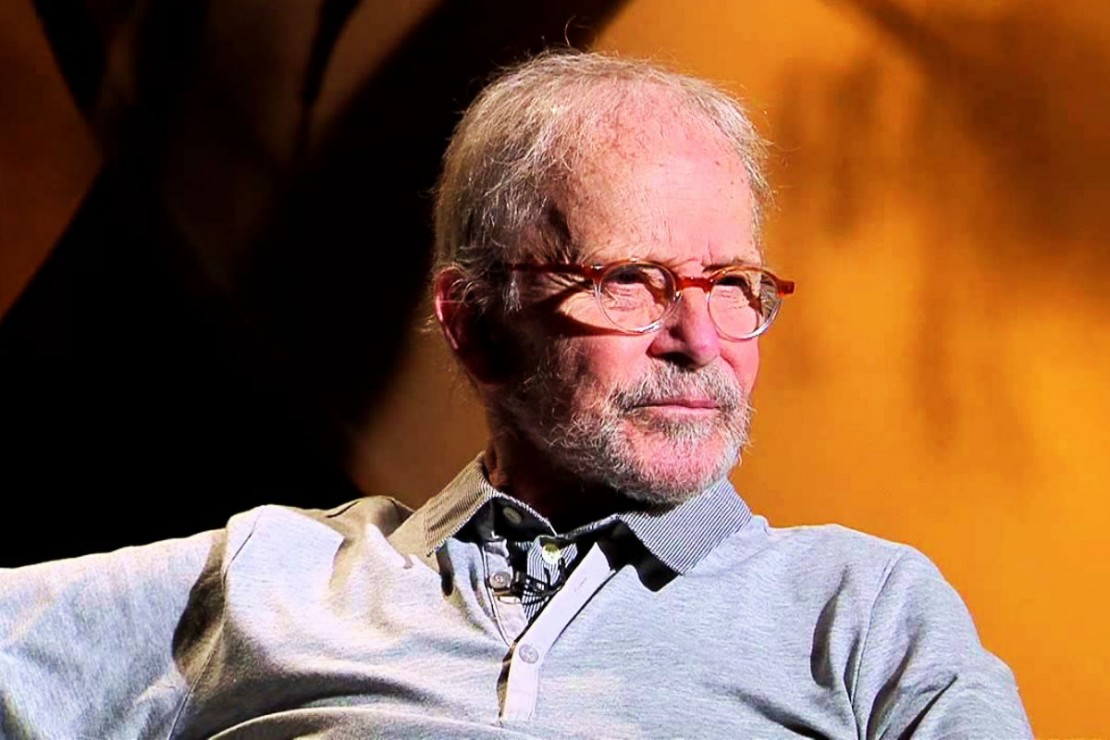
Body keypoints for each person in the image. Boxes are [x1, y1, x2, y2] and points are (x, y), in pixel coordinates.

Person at [0, 50, 1031, 738]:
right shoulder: (273, 577)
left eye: (731, 283)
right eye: (633, 281)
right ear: (476, 322)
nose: (701, 340)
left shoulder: (863, 613)